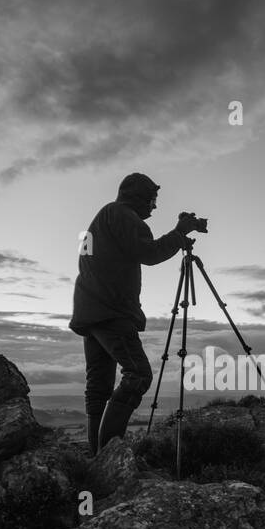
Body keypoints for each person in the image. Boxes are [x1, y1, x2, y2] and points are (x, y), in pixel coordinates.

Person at [69, 172, 205, 456]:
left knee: (99, 386)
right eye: (153, 199)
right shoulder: (123, 215)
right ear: (139, 196)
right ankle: (110, 456)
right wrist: (179, 233)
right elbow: (149, 253)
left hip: (90, 311)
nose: (154, 206)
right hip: (111, 312)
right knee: (138, 374)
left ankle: (96, 460)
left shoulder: (106, 216)